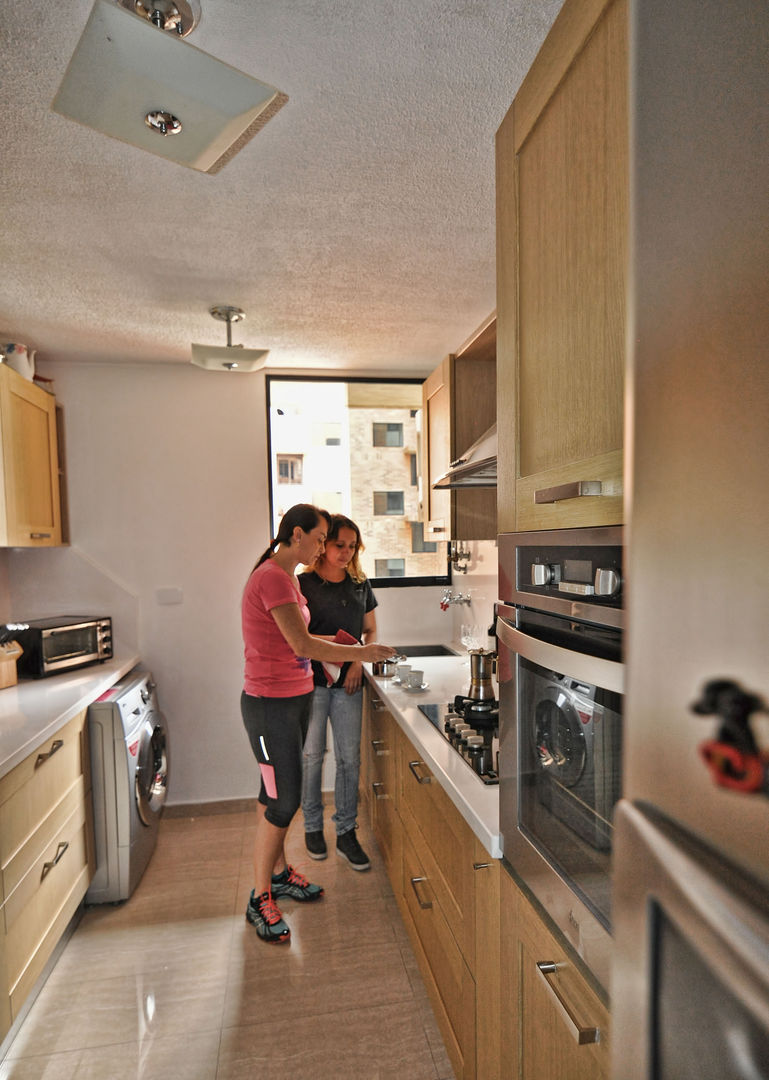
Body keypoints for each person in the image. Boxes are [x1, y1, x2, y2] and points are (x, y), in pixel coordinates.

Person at [240, 503, 395, 943]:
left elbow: (307, 640)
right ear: (297, 535)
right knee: (283, 800)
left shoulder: (285, 576)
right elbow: (301, 642)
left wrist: (355, 646)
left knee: (271, 791)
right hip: (269, 705)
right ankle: (260, 897)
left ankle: (279, 873)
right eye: (321, 537)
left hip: (292, 697)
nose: (325, 546)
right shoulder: (273, 577)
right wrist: (360, 654)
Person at [299, 514, 378, 870]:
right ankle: (312, 827)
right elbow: (297, 638)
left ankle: (346, 831)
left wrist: (359, 663)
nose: (345, 553)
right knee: (312, 757)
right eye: (338, 545)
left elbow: (370, 632)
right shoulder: (303, 583)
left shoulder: (360, 583)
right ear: (323, 544)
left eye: (351, 547)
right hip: (311, 683)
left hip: (350, 683)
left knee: (349, 759)